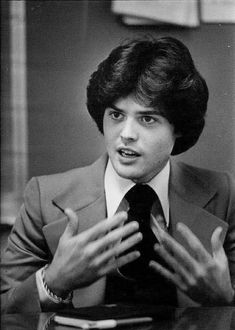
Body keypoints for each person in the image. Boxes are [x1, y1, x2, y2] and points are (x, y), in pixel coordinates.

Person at [1, 36, 235, 314]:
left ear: (179, 128)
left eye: (147, 119)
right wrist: (53, 281)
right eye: (116, 115)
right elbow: (5, 310)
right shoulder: (44, 197)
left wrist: (224, 300)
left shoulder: (224, 193)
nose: (126, 134)